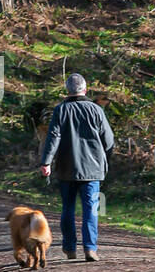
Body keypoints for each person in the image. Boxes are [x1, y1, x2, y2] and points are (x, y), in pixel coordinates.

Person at [39, 73, 114, 262]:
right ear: (85, 90)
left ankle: (70, 248)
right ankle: (90, 248)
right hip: (92, 168)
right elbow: (109, 139)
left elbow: (53, 137)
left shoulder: (60, 110)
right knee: (90, 208)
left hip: (66, 167)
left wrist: (46, 161)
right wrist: (105, 159)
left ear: (67, 90)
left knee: (68, 208)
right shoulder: (96, 110)